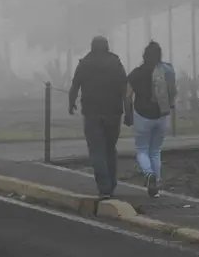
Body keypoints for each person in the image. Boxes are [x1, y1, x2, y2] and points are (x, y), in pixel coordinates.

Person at [69, 36, 127, 199]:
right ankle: (112, 183)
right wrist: (128, 110)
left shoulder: (85, 63)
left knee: (97, 150)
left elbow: (75, 85)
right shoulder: (116, 63)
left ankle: (104, 187)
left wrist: (71, 103)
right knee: (110, 149)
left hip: (92, 112)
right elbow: (125, 88)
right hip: (114, 113)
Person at [125, 41, 176, 198]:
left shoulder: (136, 73)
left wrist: (128, 115)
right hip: (162, 115)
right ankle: (156, 187)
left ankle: (149, 174)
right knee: (155, 151)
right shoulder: (167, 70)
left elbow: (127, 96)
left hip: (142, 116)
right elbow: (173, 91)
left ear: (144, 55)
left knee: (142, 150)